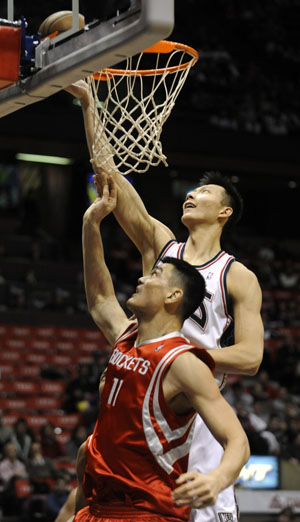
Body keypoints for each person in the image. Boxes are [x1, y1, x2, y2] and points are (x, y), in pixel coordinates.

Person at [66, 80, 264, 522]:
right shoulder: (162, 246)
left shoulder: (238, 275)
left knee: (203, 508)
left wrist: (175, 360)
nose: (191, 194)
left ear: (224, 212)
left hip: (193, 403)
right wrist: (89, 107)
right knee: (95, 473)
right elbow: (111, 180)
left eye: (204, 193)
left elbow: (250, 357)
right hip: (145, 397)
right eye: (191, 191)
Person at [72, 177, 249, 522]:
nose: (142, 277)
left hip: (146, 512)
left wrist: (217, 479)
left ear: (173, 297)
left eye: (154, 276)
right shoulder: (127, 337)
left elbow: (237, 441)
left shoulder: (182, 363)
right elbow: (100, 299)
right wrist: (90, 224)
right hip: (99, 509)